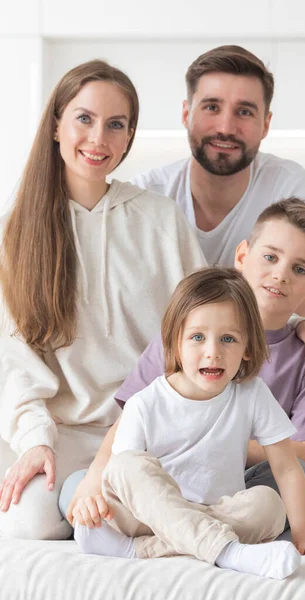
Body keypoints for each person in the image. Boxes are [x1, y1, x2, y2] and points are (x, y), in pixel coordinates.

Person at [0, 59, 207, 541]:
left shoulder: (158, 218)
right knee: (30, 524)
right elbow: (12, 360)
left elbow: (209, 313)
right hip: (62, 431)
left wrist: (294, 321)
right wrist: (34, 441)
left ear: (129, 136)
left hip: (148, 429)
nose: (99, 139)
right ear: (56, 125)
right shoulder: (16, 233)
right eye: (84, 119)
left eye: (116, 125)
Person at [64, 199, 305, 535]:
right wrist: (94, 477)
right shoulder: (184, 331)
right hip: (163, 472)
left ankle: (176, 529)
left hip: (237, 485)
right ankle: (201, 531)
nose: (280, 274)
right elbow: (129, 421)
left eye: (300, 269)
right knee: (79, 489)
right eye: (270, 257)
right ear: (242, 256)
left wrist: (217, 439)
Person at [74, 267, 305, 580]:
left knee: (268, 505)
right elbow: (126, 480)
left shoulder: (252, 394)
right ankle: (229, 553)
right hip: (147, 516)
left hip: (220, 512)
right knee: (127, 465)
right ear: (175, 343)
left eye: (228, 339)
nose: (213, 352)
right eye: (197, 337)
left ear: (248, 348)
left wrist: (303, 534)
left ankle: (138, 550)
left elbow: (287, 467)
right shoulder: (145, 402)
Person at [132, 45, 305, 327]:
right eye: (212, 107)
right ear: (186, 113)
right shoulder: (147, 195)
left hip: (263, 358)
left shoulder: (289, 186)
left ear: (266, 124)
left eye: (244, 112)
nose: (225, 126)